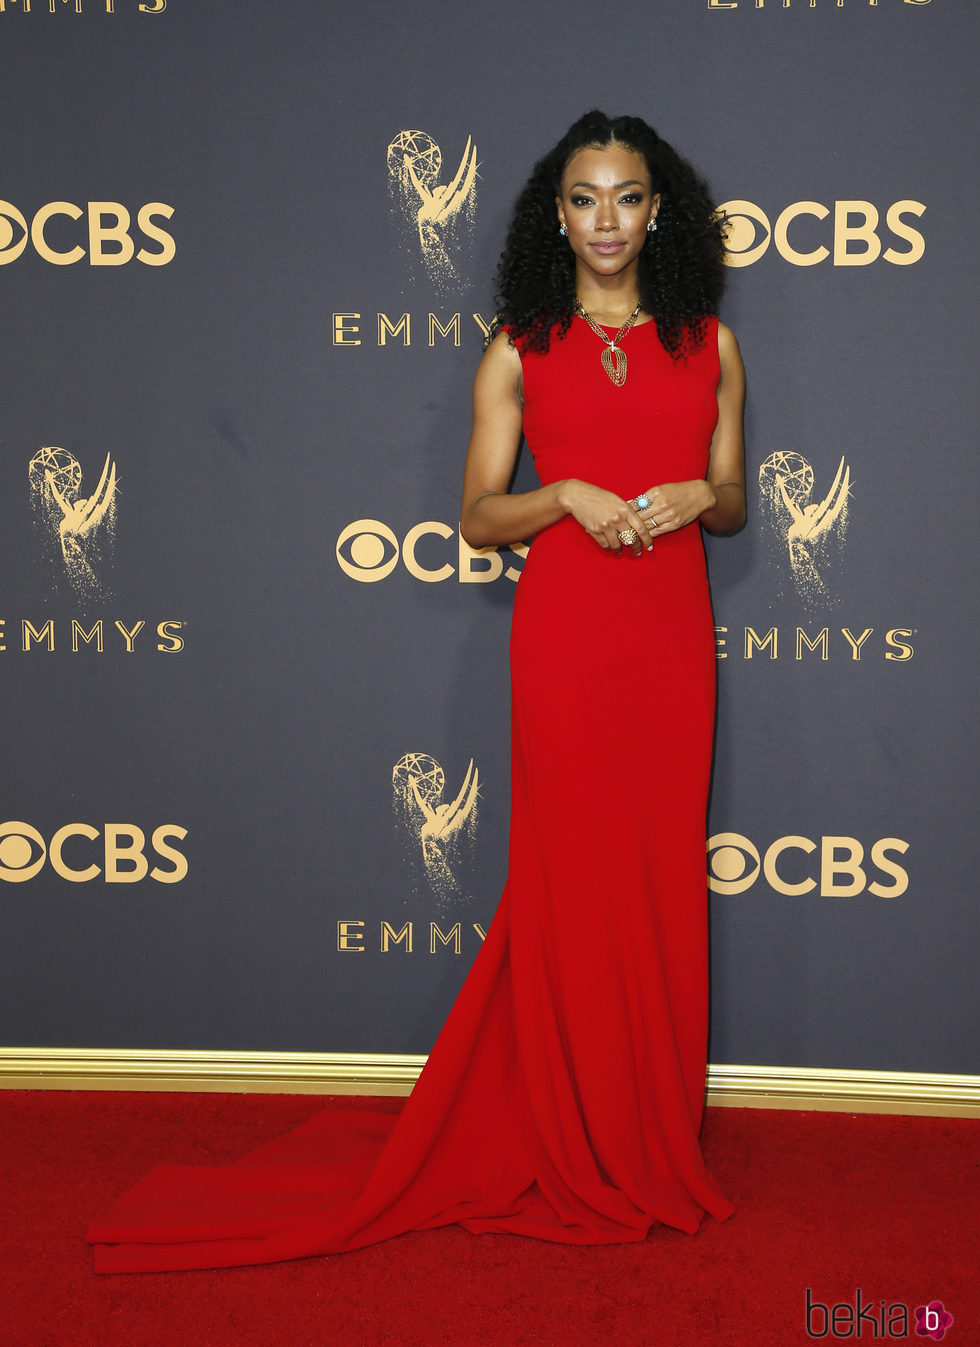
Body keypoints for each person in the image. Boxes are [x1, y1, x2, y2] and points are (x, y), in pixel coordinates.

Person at [86, 110, 742, 1274]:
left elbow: (732, 497)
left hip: (667, 642)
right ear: (555, 212)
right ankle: (564, 1124)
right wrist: (565, 497)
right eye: (583, 198)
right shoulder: (517, 346)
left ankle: (645, 1135)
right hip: (569, 635)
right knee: (567, 878)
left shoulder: (709, 344)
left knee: (651, 878)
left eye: (627, 197)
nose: (604, 221)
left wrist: (698, 495)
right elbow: (477, 518)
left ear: (660, 211)